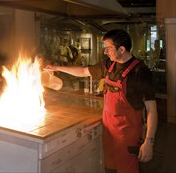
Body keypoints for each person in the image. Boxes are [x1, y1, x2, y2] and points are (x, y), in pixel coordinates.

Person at [45, 29, 158, 173]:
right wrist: (55, 68)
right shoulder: (108, 65)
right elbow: (83, 71)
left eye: (109, 48)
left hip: (127, 136)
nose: (105, 52)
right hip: (109, 132)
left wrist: (149, 142)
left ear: (122, 49)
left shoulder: (140, 72)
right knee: (110, 169)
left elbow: (151, 110)